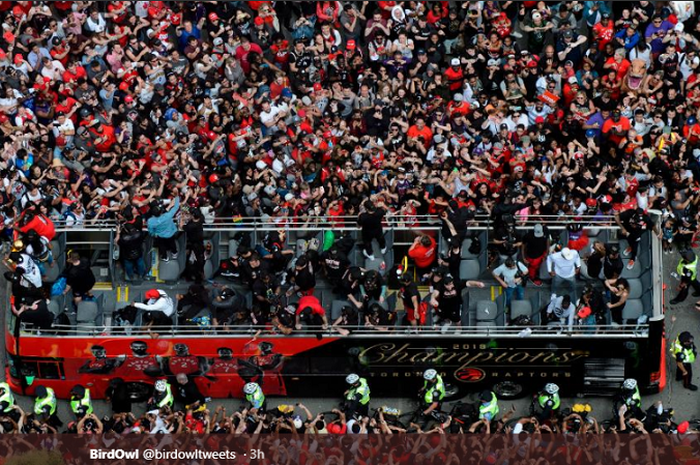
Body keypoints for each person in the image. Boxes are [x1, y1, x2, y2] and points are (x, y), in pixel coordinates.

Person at [147, 196, 181, 262]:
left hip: (160, 236)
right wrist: (177, 196)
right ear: (160, 212)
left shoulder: (150, 221)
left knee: (161, 246)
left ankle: (165, 257)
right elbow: (176, 207)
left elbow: (150, 231)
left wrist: (154, 234)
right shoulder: (168, 215)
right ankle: (174, 253)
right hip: (170, 234)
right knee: (172, 243)